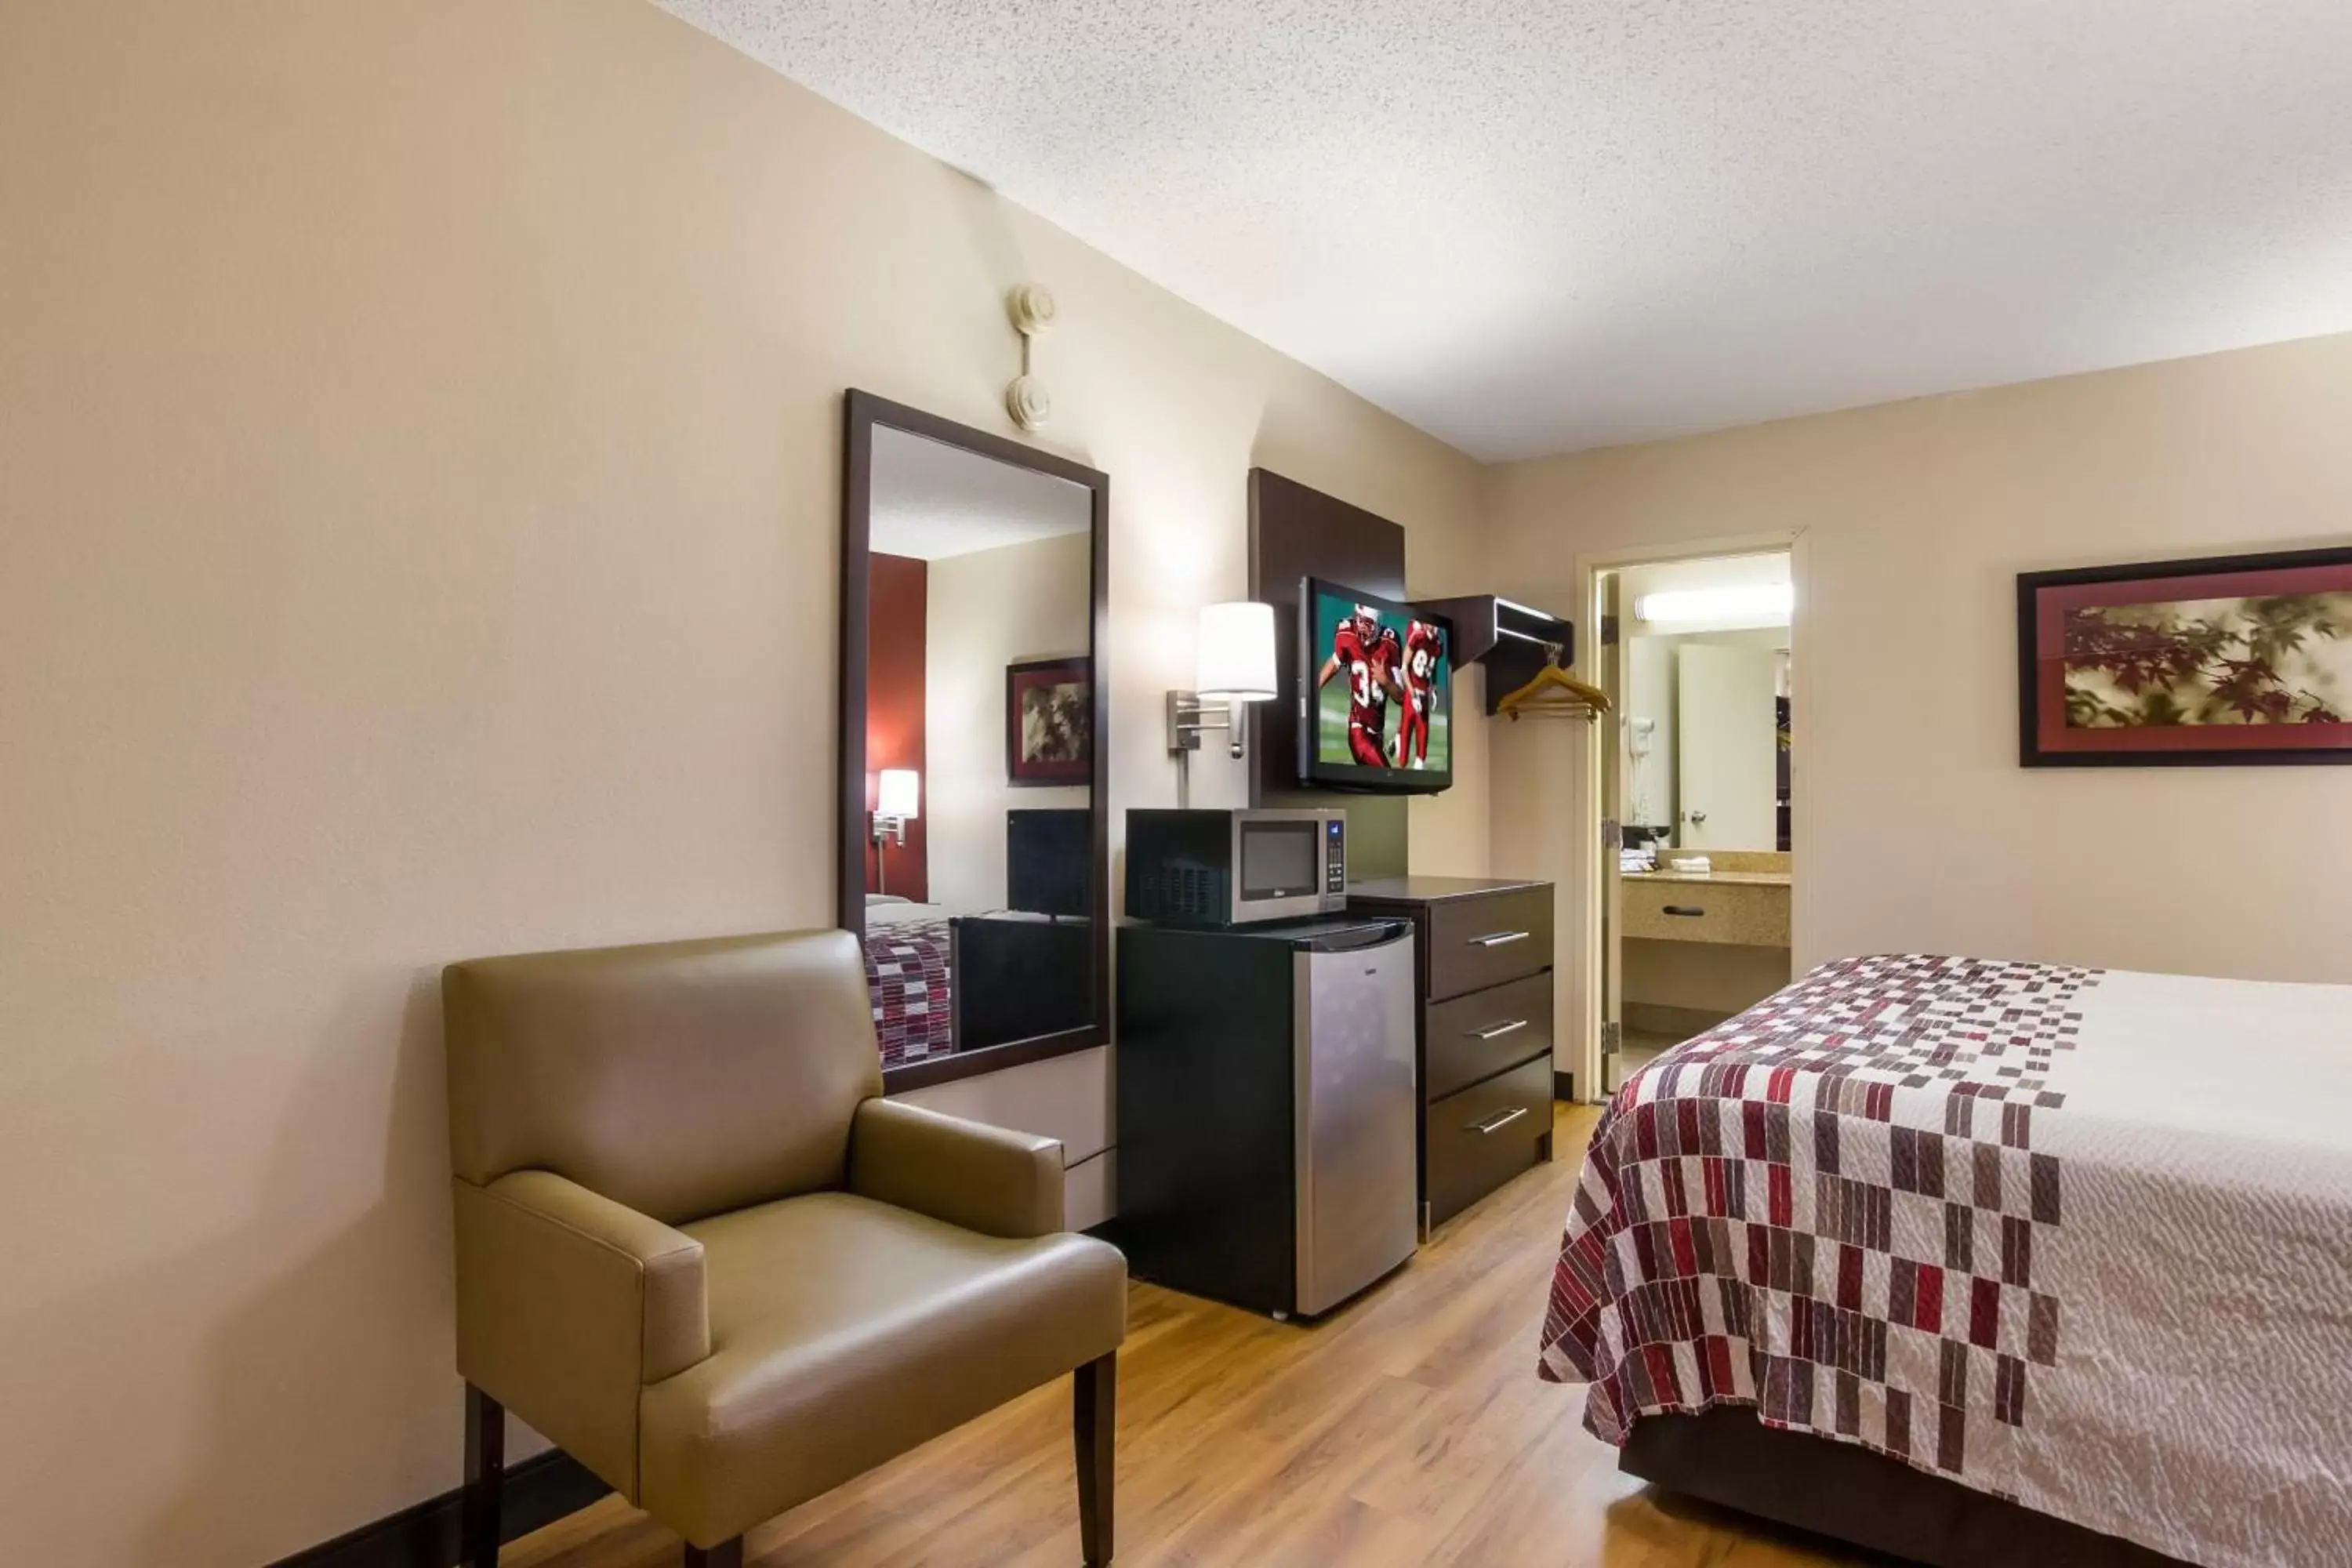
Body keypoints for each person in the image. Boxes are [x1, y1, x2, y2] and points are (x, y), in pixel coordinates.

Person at [1316, 605, 1403, 767]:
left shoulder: (1389, 643)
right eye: (1359, 621)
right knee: (1387, 778)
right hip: (1358, 731)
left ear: (1378, 624)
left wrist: (1386, 682)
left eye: (1368, 623)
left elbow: (1402, 698)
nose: (1361, 627)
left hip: (1378, 734)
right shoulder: (1347, 635)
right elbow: (1334, 663)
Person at [1395, 619, 1443, 767]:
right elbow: (1404, 668)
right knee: (1406, 736)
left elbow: (1432, 666)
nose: (1435, 628)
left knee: (1423, 740)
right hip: (1412, 689)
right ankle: (1399, 736)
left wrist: (1433, 687)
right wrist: (1412, 693)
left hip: (1424, 692)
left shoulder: (1439, 643)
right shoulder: (1417, 635)